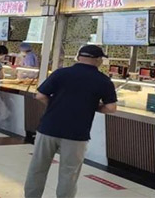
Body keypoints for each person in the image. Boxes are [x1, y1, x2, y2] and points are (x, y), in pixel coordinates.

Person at [24, 45, 117, 198]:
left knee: (37, 167)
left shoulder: (61, 73)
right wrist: (92, 107)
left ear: (78, 57)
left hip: (48, 128)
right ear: (98, 60)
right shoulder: (103, 80)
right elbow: (111, 108)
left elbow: (40, 95)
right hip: (76, 133)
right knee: (69, 173)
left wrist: (55, 105)